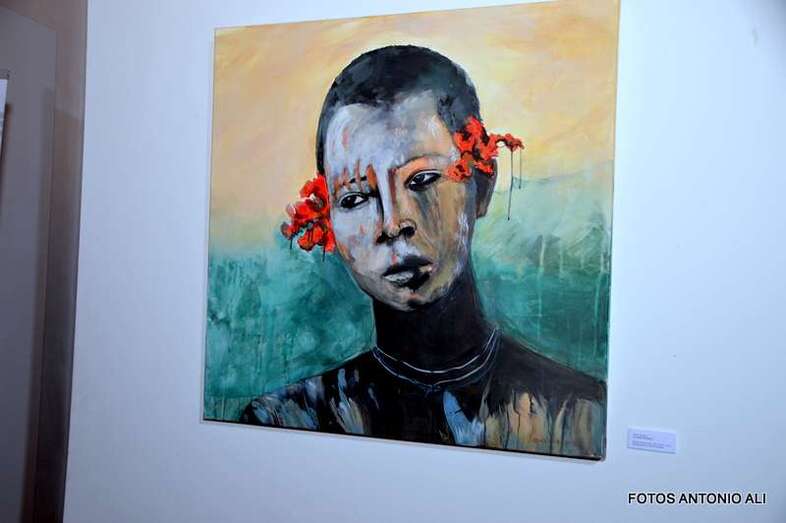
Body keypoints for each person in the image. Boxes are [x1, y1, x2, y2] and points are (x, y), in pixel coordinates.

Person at [241, 45, 606, 459]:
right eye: (355, 198)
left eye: (422, 180)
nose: (393, 223)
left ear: (481, 184)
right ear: (327, 219)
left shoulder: (581, 414)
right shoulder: (287, 418)